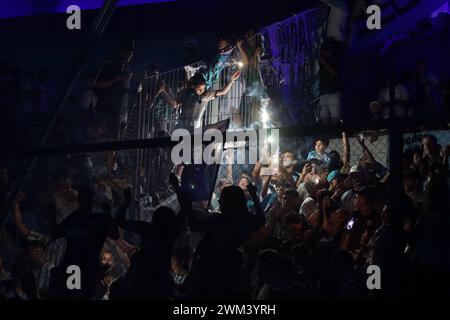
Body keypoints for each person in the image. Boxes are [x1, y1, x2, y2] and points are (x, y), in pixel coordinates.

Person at [174, 174, 265, 299]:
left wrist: (181, 195)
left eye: (222, 198)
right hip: (232, 267)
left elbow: (194, 225)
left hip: (211, 265)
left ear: (230, 202)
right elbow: (261, 220)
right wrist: (254, 196)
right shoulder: (246, 219)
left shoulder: (221, 221)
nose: (219, 201)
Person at [48, 186, 121, 299]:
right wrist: (51, 217)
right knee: (72, 295)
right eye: (84, 198)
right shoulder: (75, 218)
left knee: (81, 295)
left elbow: (115, 234)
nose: (87, 202)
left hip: (87, 268)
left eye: (88, 199)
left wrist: (108, 213)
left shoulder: (99, 219)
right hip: (75, 266)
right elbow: (56, 234)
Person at [93, 39, 135, 175]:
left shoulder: (126, 67)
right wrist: (117, 78)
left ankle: (111, 174)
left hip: (119, 114)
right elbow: (97, 84)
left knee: (114, 146)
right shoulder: (109, 64)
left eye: (131, 52)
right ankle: (104, 175)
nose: (129, 54)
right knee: (107, 145)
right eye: (127, 51)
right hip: (106, 111)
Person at [159, 71, 241, 130]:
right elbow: (174, 104)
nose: (202, 91)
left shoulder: (206, 95)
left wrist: (231, 80)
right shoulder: (184, 93)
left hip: (196, 128)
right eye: (199, 88)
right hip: (182, 126)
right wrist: (164, 92)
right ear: (193, 87)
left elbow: (223, 91)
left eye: (203, 88)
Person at [318, 39, 342, 123]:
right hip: (323, 92)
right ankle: (325, 135)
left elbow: (335, 73)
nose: (324, 53)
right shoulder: (322, 61)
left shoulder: (336, 60)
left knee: (335, 117)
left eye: (326, 51)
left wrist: (324, 62)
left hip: (333, 92)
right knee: (323, 116)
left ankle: (337, 134)